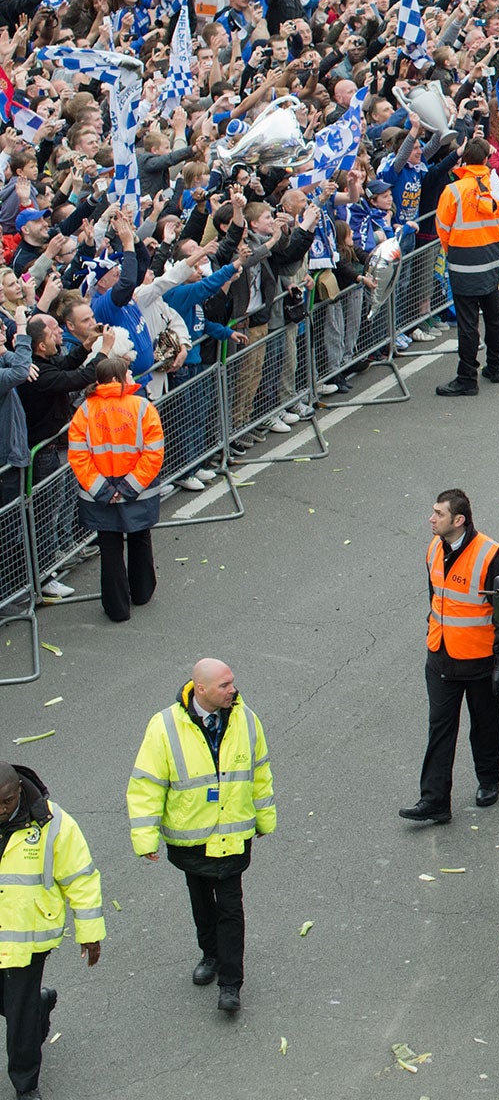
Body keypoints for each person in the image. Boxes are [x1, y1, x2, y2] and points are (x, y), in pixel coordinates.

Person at [125, 659, 275, 1014]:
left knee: (230, 906)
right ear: (201, 689)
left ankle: (230, 983)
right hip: (191, 837)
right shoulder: (163, 727)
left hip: (233, 833)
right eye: (225, 685)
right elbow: (146, 784)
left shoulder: (247, 719)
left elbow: (260, 771)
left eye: (233, 682)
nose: (233, 690)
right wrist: (145, 839)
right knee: (200, 897)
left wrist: (264, 818)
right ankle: (209, 953)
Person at [401, 488, 499, 826]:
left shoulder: (489, 555)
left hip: (479, 662)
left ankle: (488, 779)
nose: (431, 518)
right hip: (440, 658)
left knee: (485, 727)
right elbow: (435, 598)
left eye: (438, 513)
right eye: (433, 511)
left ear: (459, 519)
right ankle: (434, 800)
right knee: (440, 730)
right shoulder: (434, 549)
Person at [0, 762, 101, 1095]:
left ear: (19, 790)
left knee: (19, 1017)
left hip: (27, 939)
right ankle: (37, 1005)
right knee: (17, 1005)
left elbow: (80, 878)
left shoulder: (53, 822)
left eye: (7, 801)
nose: (2, 810)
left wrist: (89, 931)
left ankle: (26, 1085)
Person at [66, 346, 163, 622]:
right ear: (122, 378)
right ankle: (142, 592)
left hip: (100, 492)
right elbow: (153, 451)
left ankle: (117, 608)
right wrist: (131, 486)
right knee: (140, 537)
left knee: (109, 547)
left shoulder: (84, 411)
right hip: (138, 489)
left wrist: (102, 490)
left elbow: (79, 455)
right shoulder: (142, 406)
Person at [433, 137, 499, 396]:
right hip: (491, 257)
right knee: (493, 314)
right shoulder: (496, 186)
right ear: (487, 159)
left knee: (468, 322)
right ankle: (495, 366)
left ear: (464, 159)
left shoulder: (454, 189)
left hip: (463, 260)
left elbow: (442, 226)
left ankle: (467, 377)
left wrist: (452, 248)